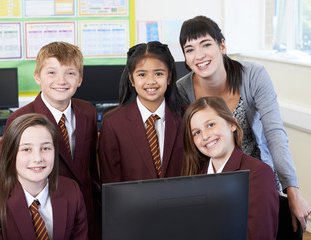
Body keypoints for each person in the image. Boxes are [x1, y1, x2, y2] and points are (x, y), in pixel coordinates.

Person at [177, 15, 311, 232]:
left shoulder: (253, 75)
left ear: (222, 45)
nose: (199, 55)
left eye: (206, 44)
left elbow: (275, 133)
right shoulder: (181, 90)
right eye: (189, 49)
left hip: (257, 177)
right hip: (214, 181)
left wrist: (292, 190)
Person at [0, 42, 100, 239]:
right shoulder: (20, 118)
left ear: (80, 79)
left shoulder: (88, 111)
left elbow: (90, 168)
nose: (61, 80)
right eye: (51, 73)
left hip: (86, 210)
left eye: (70, 73)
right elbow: (8, 174)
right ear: (37, 76)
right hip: (49, 212)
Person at [0, 113, 88, 240]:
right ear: (11, 153)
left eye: (46, 148)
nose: (38, 159)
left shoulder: (72, 190)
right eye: (26, 149)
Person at [183, 96, 279, 240]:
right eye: (196, 132)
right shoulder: (196, 174)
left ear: (232, 124)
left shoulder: (258, 173)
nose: (205, 136)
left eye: (210, 125)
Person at [99, 41, 184, 183]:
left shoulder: (187, 117)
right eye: (142, 75)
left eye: (158, 73)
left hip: (180, 202)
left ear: (169, 77)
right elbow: (111, 182)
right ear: (131, 79)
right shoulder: (113, 124)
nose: (151, 81)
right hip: (133, 204)